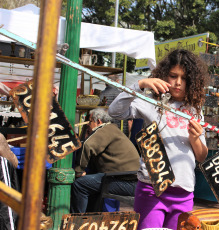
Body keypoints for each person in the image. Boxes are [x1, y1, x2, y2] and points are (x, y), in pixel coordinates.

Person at [109, 49, 209, 230]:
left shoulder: (195, 109)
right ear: (163, 75)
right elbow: (114, 111)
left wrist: (195, 139)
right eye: (173, 76)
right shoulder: (149, 102)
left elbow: (201, 156)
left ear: (192, 80)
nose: (178, 82)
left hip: (184, 193)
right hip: (152, 190)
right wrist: (139, 84)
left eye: (184, 78)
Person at [71, 108, 140, 213]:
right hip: (127, 179)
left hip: (126, 182)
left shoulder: (105, 129)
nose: (88, 125)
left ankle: (76, 221)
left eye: (90, 121)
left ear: (98, 121)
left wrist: (79, 170)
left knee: (80, 184)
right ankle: (89, 218)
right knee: (90, 183)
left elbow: (87, 145)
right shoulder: (112, 129)